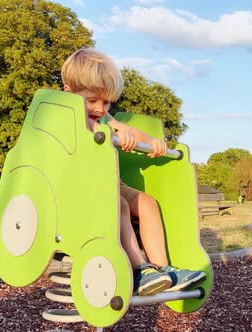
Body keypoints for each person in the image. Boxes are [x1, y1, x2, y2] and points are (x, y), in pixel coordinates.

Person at [61, 48, 206, 296]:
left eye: (106, 102)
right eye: (91, 100)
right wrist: (108, 132)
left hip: (110, 183)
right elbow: (86, 131)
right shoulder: (64, 116)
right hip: (80, 190)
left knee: (147, 203)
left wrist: (152, 142)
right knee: (119, 206)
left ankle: (162, 270)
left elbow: (124, 128)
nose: (99, 108)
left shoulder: (104, 117)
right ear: (69, 92)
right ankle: (139, 270)